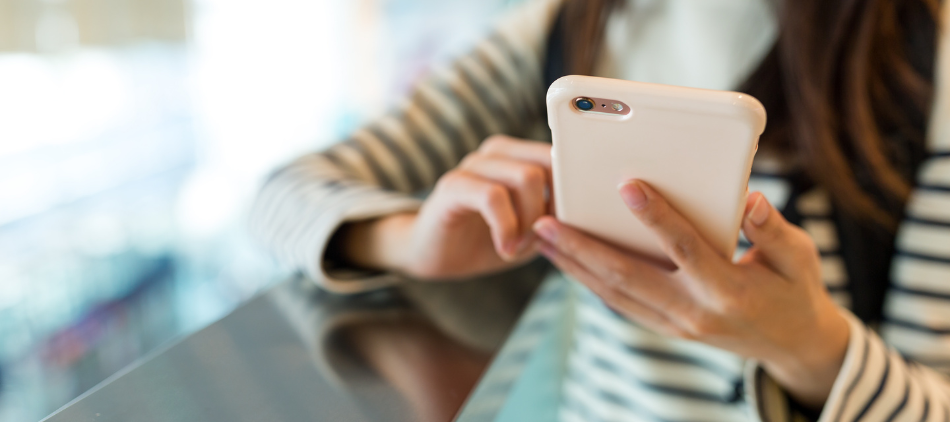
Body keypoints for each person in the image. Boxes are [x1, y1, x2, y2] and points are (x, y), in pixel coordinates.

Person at [250, 0, 950, 419]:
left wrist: (811, 350)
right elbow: (280, 196)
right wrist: (407, 241)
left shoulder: (926, 64)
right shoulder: (568, 25)